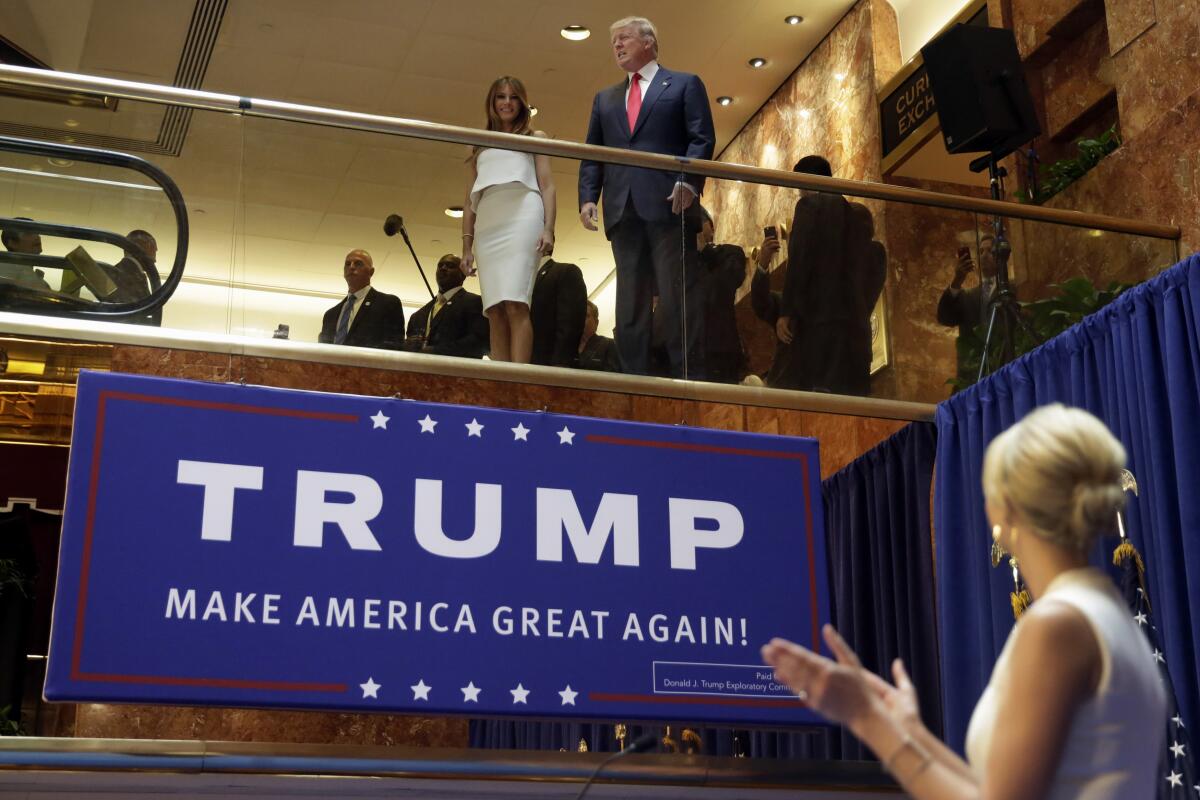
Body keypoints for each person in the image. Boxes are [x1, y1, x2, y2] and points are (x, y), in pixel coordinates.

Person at [763, 404, 1166, 799]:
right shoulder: (1105, 615)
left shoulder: (1057, 627)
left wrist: (866, 719)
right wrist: (909, 731)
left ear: (1004, 511)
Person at [578, 16, 715, 379]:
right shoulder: (605, 98)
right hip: (623, 208)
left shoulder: (684, 84)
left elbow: (701, 139)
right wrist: (588, 196)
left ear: (649, 41)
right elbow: (595, 151)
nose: (617, 46)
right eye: (613, 43)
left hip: (670, 204)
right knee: (630, 302)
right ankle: (633, 382)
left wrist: (689, 182)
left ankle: (688, 380)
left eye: (623, 38)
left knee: (676, 297)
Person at [461, 76, 556, 364]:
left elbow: (547, 185)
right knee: (494, 308)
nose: (506, 103)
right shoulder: (477, 145)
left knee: (516, 302)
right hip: (488, 220)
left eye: (513, 97)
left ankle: (520, 381)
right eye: (500, 97)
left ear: (522, 103)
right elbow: (469, 200)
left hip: (523, 214)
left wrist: (549, 228)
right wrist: (466, 246)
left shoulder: (533, 138)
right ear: (492, 102)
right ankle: (501, 385)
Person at [776, 156, 882, 394]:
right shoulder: (856, 219)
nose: (798, 193)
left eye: (798, 185)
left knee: (819, 400)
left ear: (806, 180)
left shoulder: (809, 207)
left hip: (819, 326)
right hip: (855, 332)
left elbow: (799, 259)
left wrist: (787, 311)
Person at [937, 234, 1000, 384]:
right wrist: (957, 280)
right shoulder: (968, 296)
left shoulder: (1013, 289)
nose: (984, 256)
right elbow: (944, 318)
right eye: (980, 252)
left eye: (990, 251)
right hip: (973, 377)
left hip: (1003, 369)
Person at [696, 207, 748, 384]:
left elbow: (726, 283)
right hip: (690, 350)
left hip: (721, 349)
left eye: (700, 222)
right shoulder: (683, 263)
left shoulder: (731, 252)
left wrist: (704, 251)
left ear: (711, 227)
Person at [405, 254, 489, 359]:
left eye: (450, 266)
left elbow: (481, 343)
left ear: (463, 275)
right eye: (440, 265)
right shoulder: (418, 316)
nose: (443, 268)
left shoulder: (475, 302)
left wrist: (435, 351)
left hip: (458, 372)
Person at [317, 249, 405, 350]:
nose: (352, 267)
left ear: (371, 272)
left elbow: (394, 347)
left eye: (358, 264)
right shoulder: (331, 315)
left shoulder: (388, 304)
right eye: (347, 264)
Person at [530, 258, 587, 368]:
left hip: (550, 364)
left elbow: (571, 321)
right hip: (520, 363)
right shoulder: (517, 279)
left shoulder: (565, 272)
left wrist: (561, 362)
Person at [103, 229, 161, 325]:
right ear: (143, 247)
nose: (155, 260)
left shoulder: (121, 272)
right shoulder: (124, 275)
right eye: (154, 250)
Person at [0, 218, 51, 292]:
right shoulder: (8, 268)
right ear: (12, 243)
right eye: (28, 233)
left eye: (37, 233)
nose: (37, 237)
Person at [578, 300, 620, 372]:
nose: (580, 319)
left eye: (586, 315)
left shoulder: (609, 344)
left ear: (596, 322)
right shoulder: (567, 346)